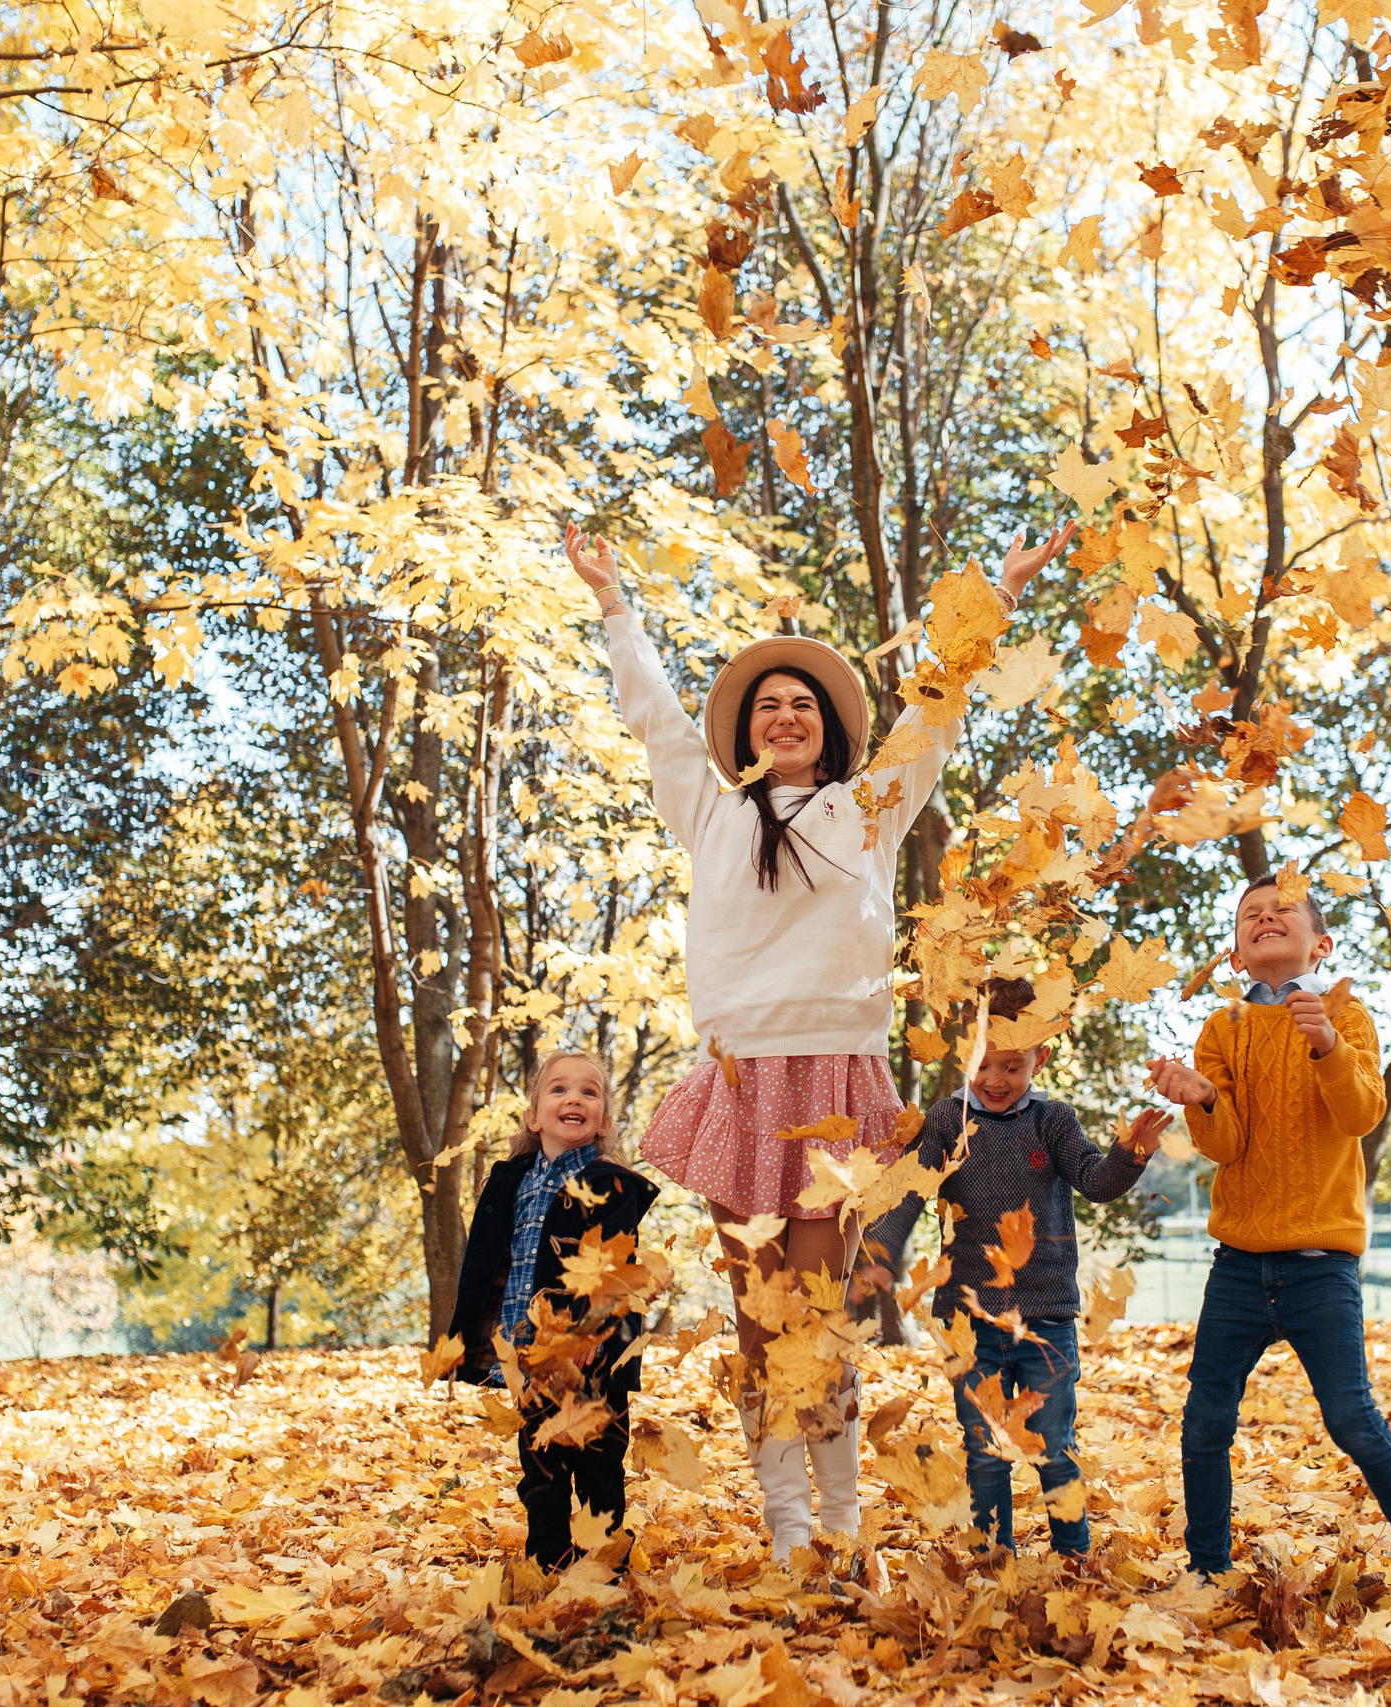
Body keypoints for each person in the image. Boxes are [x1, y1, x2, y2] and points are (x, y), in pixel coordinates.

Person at [562, 518, 1072, 1565]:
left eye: (800, 704)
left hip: (837, 1084)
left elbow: (929, 719)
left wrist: (1000, 597)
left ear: (825, 730)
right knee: (761, 1321)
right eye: (767, 705)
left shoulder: (865, 809)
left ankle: (840, 1530)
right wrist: (614, 604)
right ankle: (789, 1529)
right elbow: (654, 719)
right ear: (747, 732)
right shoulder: (709, 810)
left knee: (820, 1315)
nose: (784, 714)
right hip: (742, 1078)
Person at [1146, 876, 1391, 1639]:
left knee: (1353, 1416)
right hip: (1240, 1263)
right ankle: (1206, 1570)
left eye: (1283, 910)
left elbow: (1360, 1112)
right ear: (1237, 951)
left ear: (1322, 945)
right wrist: (1203, 1096)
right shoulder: (1222, 1026)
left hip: (1321, 1265)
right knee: (1206, 1418)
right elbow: (1228, 1145)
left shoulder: (1346, 1014)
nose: (1266, 917)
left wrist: (1328, 1044)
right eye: (1250, 915)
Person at [857, 978, 1171, 1558]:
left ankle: (1074, 1555)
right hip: (969, 1319)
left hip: (1044, 1314)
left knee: (1053, 1445)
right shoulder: (947, 1121)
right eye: (983, 1064)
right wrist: (881, 1256)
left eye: (1012, 1067)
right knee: (984, 1450)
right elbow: (909, 1195)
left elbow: (1097, 1182)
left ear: (1039, 1057)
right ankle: (992, 1559)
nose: (995, 1081)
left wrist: (1132, 1153)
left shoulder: (1052, 1122)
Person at [445, 1053, 659, 1571]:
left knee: (598, 1465)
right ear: (534, 1115)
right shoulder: (509, 1182)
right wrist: (471, 1340)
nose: (574, 1100)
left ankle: (602, 1566)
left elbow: (616, 1266)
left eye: (589, 1093)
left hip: (591, 1355)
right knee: (540, 1465)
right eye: (559, 1090)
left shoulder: (611, 1184)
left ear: (605, 1120)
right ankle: (547, 1561)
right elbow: (485, 1264)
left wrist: (592, 1334)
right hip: (530, 1356)